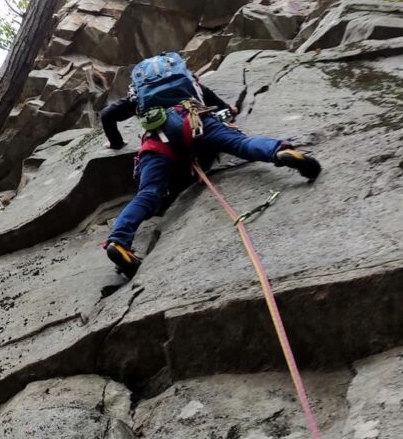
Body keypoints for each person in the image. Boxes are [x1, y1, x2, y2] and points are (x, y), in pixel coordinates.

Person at [101, 53, 321, 277]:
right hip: (197, 122)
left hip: (158, 137)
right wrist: (230, 110)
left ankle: (118, 241)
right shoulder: (189, 81)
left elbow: (107, 115)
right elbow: (218, 103)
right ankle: (281, 152)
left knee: (148, 193)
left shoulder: (138, 93)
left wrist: (116, 143)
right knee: (241, 144)